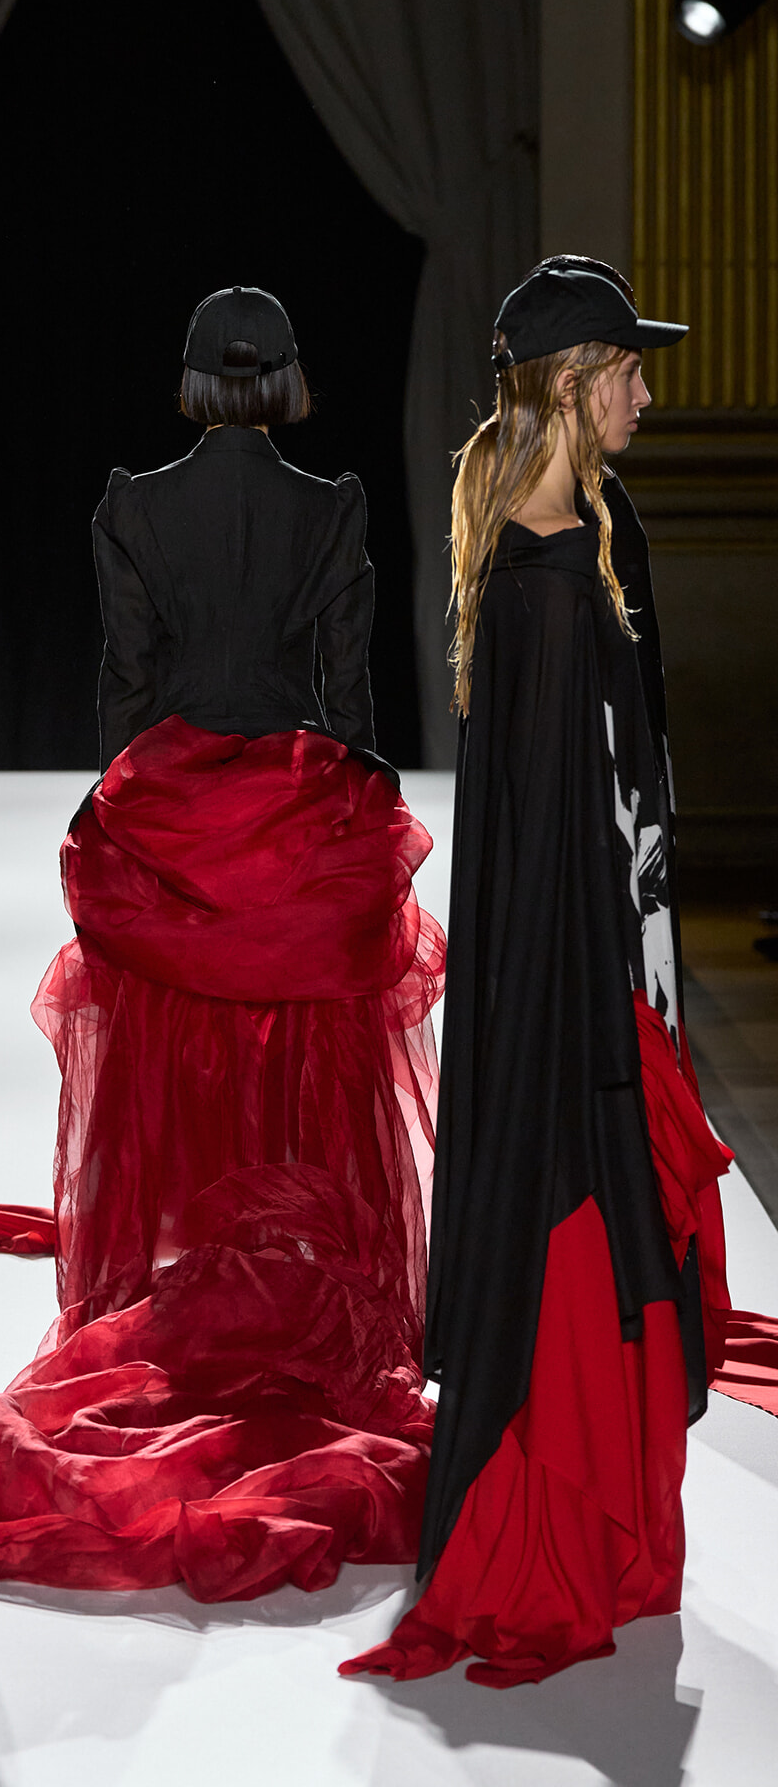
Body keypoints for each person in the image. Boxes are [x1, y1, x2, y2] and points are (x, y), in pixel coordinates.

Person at [0, 287, 446, 1599]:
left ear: (192, 381)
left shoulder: (134, 505)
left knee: (168, 1070)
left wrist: (127, 834)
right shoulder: (336, 507)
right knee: (312, 1067)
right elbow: (351, 700)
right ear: (287, 378)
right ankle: (308, 1297)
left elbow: (126, 691)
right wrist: (345, 833)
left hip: (180, 808)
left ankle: (180, 1292)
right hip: (303, 811)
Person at [340, 263, 761, 1687]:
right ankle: (545, 1540)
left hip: (613, 978)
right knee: (596, 1251)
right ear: (576, 383)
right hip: (579, 1004)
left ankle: (601, 1534)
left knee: (636, 1256)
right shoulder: (541, 584)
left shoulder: (588, 537)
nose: (650, 389)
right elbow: (538, 858)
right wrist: (600, 1034)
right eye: (631, 369)